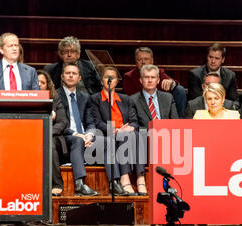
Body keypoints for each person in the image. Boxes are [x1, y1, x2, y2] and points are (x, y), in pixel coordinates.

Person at [89, 67, 147, 196]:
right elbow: (97, 122)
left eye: (113, 77)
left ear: (116, 81)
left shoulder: (126, 99)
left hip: (126, 132)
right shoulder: (95, 99)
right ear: (101, 80)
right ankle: (124, 178)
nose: (109, 80)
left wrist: (131, 127)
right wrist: (115, 130)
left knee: (137, 134)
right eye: (106, 77)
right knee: (124, 136)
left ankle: (140, 178)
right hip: (109, 135)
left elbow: (134, 120)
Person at [56, 62, 99, 196]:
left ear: (79, 78)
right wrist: (78, 135)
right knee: (77, 141)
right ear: (62, 76)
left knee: (108, 141)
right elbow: (60, 123)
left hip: (84, 136)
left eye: (74, 73)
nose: (70, 76)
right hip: (65, 137)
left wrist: (89, 135)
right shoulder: (56, 95)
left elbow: (90, 122)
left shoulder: (85, 97)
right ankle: (79, 183)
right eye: (68, 73)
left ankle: (114, 184)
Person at [0, 32, 39, 119]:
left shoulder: (30, 71)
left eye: (16, 45)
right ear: (1, 49)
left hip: (25, 118)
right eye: (10, 46)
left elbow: (37, 96)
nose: (14, 49)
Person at [123, 47, 187, 117]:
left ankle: (180, 120)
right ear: (136, 62)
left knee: (179, 89)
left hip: (160, 103)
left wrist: (171, 82)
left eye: (146, 59)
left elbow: (174, 83)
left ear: (152, 61)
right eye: (139, 60)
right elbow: (131, 100)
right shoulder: (129, 76)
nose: (143, 62)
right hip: (141, 106)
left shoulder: (158, 72)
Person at [37, 70, 69, 196]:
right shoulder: (24, 97)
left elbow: (62, 122)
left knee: (48, 144)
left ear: (47, 86)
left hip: (52, 136)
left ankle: (57, 184)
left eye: (42, 82)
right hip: (30, 136)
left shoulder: (54, 99)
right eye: (36, 82)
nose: (39, 84)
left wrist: (45, 132)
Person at [130, 64, 179, 130]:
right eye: (146, 77)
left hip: (166, 135)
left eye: (153, 77)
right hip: (144, 137)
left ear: (158, 80)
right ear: (141, 80)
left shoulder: (168, 98)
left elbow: (175, 122)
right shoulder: (132, 100)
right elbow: (134, 125)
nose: (150, 80)